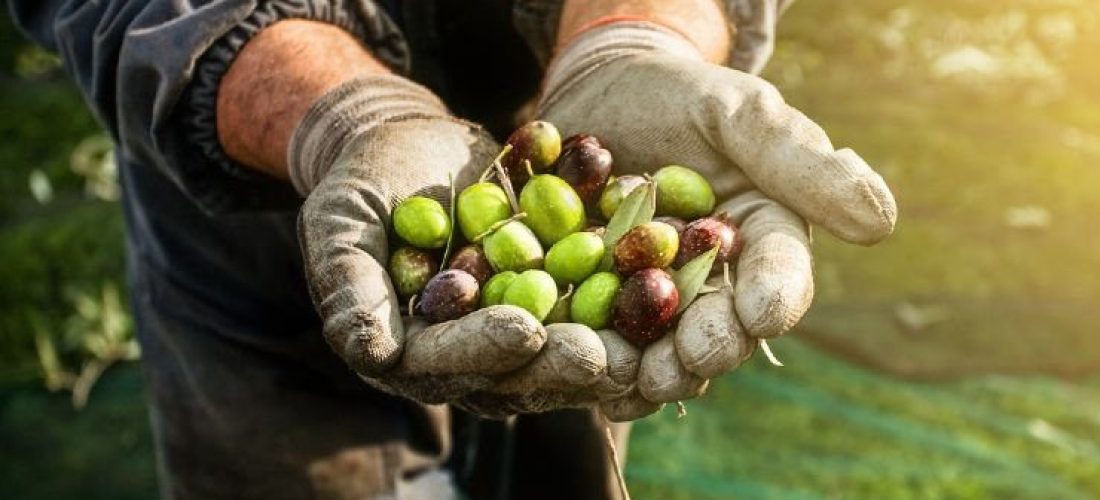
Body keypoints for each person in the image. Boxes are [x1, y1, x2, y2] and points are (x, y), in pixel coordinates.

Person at [7, 0, 896, 498]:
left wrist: (638, 34)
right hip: (241, 169)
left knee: (559, 432)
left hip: (553, 114)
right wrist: (342, 116)